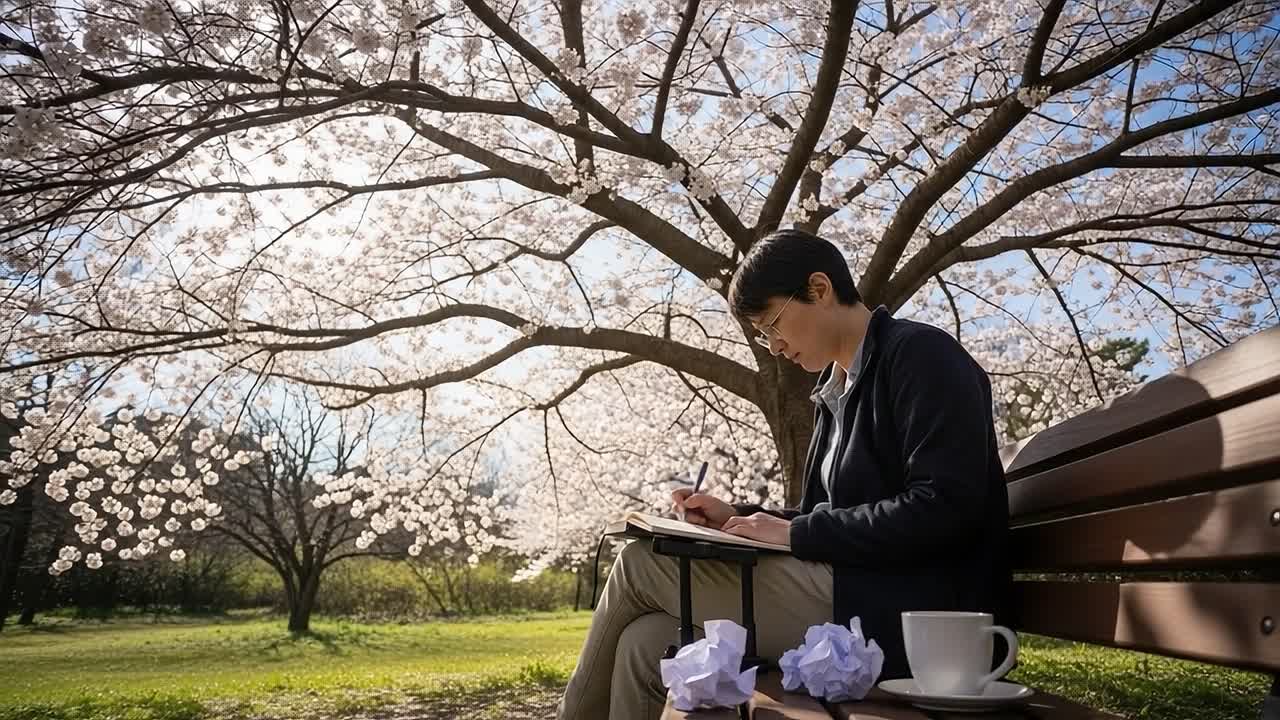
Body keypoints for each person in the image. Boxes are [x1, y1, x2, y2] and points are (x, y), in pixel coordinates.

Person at [557, 229, 1011, 720]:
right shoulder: (835, 391)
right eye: (762, 335)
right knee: (645, 643)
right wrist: (742, 516)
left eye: (773, 324)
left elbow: (944, 506)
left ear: (819, 289)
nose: (773, 346)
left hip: (922, 614)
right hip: (860, 589)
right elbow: (827, 517)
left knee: (640, 563)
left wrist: (797, 531)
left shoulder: (921, 355)